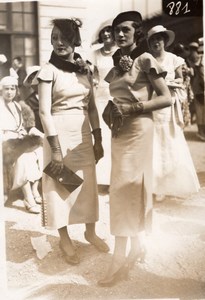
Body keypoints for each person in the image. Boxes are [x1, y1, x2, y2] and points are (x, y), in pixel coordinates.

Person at [98, 11, 172, 287]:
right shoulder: (117, 63)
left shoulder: (145, 59)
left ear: (137, 33)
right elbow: (113, 95)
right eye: (116, 29)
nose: (119, 34)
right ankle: (137, 244)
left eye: (125, 30)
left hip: (139, 129)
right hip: (119, 132)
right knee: (123, 188)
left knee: (125, 188)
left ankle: (119, 257)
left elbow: (167, 98)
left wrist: (134, 107)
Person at [37, 18, 109, 265]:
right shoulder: (48, 70)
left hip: (82, 135)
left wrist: (98, 138)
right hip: (57, 134)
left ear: (75, 40)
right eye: (54, 37)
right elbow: (44, 112)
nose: (59, 43)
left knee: (87, 185)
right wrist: (55, 149)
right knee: (59, 187)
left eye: (64, 38)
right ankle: (64, 237)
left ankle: (90, 232)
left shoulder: (85, 68)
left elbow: (91, 107)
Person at [147, 25, 200, 201]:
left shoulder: (174, 59)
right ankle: (155, 186)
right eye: (153, 39)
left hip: (169, 105)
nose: (156, 42)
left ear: (164, 41)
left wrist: (166, 82)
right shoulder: (147, 60)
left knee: (169, 140)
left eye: (159, 39)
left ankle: (171, 184)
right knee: (154, 142)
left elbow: (181, 80)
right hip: (152, 103)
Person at [0, 76, 43, 213]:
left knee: (41, 150)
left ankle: (35, 189)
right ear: (1, 90)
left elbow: (26, 127)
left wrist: (43, 136)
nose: (9, 92)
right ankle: (28, 198)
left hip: (18, 140)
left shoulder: (18, 106)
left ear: (16, 90)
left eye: (12, 89)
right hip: (5, 142)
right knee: (24, 157)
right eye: (6, 89)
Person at [89, 19, 118, 188]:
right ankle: (102, 178)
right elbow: (92, 77)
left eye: (109, 30)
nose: (106, 34)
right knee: (102, 136)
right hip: (99, 97)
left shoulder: (121, 52)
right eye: (104, 31)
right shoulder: (95, 54)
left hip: (116, 96)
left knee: (116, 135)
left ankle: (115, 177)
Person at [187, 42, 205, 141]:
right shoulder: (194, 60)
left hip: (199, 87)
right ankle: (201, 132)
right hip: (198, 88)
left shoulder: (192, 59)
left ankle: (201, 132)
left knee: (201, 111)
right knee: (200, 111)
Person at [23, 65, 44, 133]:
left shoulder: (54, 96)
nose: (36, 82)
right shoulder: (29, 102)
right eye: (32, 79)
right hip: (39, 135)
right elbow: (29, 126)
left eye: (37, 78)